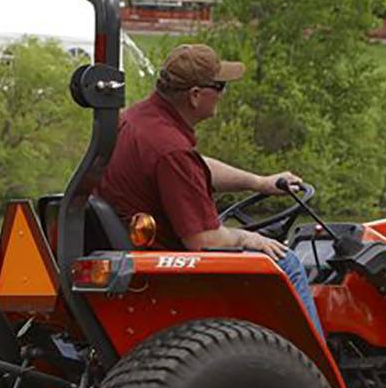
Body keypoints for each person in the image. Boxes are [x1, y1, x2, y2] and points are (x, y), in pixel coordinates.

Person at [96, 42, 323, 335]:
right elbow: (203, 239)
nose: (222, 95)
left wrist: (259, 182)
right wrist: (249, 238)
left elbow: (196, 166)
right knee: (286, 263)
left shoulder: (136, 121)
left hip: (135, 255)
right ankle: (315, 374)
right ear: (195, 96)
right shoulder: (170, 149)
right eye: (220, 87)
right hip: (167, 272)